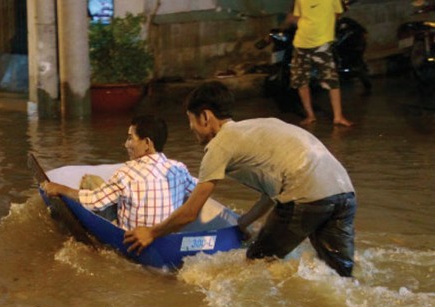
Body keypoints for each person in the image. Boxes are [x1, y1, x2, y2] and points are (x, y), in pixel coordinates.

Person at [123, 82, 357, 277]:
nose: (190, 128)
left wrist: (151, 233)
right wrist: (243, 223)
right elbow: (274, 189)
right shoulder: (260, 126)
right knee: (339, 274)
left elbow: (190, 212)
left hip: (306, 195)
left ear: (205, 117)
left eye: (190, 120)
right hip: (344, 190)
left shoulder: (219, 146)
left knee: (256, 264)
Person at [42, 115, 198, 231]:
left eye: (131, 138)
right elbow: (198, 189)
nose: (126, 144)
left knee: (92, 191)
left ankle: (88, 183)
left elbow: (94, 201)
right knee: (99, 185)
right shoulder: (179, 169)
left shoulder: (126, 173)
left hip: (133, 239)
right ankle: (91, 182)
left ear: (147, 143)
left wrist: (61, 189)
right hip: (167, 237)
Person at [290, 0, 353, 127]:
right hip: (301, 43)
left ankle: (338, 116)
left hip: (321, 44)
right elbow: (298, 16)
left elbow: (337, 13)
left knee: (331, 79)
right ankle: (310, 115)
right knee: (301, 80)